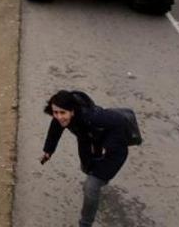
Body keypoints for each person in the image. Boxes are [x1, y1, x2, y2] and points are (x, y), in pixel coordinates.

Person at [41, 90, 131, 227]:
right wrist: (48, 151)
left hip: (115, 151)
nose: (59, 117)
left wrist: (109, 146)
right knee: (86, 168)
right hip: (89, 140)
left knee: (90, 187)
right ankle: (99, 181)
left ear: (72, 111)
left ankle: (85, 223)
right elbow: (55, 129)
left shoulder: (92, 117)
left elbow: (119, 120)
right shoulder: (63, 116)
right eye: (55, 112)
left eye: (62, 113)